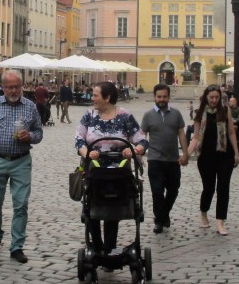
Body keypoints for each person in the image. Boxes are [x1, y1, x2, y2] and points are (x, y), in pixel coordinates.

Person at [0, 70, 43, 262]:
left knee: (21, 204)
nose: (13, 91)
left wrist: (30, 136)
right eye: (9, 87)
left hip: (21, 160)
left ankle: (17, 246)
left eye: (16, 87)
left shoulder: (30, 106)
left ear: (21, 86)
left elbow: (39, 133)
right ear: (2, 87)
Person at [76, 81, 147, 255]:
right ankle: (97, 246)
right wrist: (87, 153)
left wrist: (134, 151)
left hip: (119, 170)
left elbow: (142, 140)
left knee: (112, 207)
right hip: (94, 169)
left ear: (107, 98)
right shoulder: (89, 115)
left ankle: (109, 248)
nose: (92, 98)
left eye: (95, 95)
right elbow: (79, 140)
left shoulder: (124, 116)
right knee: (91, 205)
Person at [189, 84, 239, 236]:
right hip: (206, 156)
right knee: (209, 187)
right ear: (206, 97)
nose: (214, 100)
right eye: (211, 97)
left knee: (223, 187)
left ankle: (220, 221)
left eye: (217, 97)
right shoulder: (199, 113)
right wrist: (187, 154)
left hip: (225, 154)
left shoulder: (225, 110)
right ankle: (204, 212)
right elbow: (196, 137)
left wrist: (236, 153)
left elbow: (231, 132)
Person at [139, 83, 188, 234]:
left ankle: (164, 214)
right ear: (154, 97)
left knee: (173, 190)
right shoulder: (148, 115)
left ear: (169, 97)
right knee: (157, 191)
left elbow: (181, 134)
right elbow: (142, 135)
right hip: (155, 159)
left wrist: (185, 153)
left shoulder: (176, 114)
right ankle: (159, 221)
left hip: (173, 159)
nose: (162, 99)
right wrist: (140, 154)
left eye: (164, 97)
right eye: (159, 97)